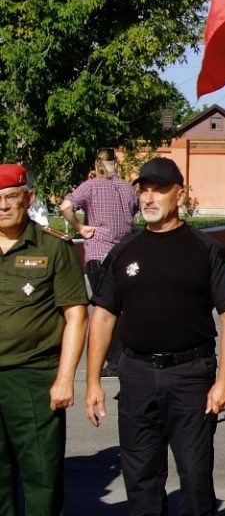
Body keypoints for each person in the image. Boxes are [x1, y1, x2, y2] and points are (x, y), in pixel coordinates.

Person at [82, 158, 225, 516]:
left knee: (194, 469)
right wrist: (93, 380)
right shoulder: (125, 251)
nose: (149, 196)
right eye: (143, 189)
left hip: (191, 374)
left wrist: (224, 380)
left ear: (179, 194)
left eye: (159, 189)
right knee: (140, 469)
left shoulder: (207, 251)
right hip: (135, 373)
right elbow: (102, 317)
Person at [0, 163, 87, 516]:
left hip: (34, 377)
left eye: (10, 198)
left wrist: (65, 379)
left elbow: (75, 316)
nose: (2, 207)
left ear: (28, 199)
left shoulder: (53, 248)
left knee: (41, 477)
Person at [61, 147, 137, 375]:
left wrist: (79, 227)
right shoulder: (127, 189)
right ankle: (129, 357)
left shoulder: (91, 186)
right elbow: (133, 214)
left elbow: (65, 207)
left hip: (99, 253)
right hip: (125, 254)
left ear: (96, 164)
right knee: (125, 309)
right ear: (117, 163)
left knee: (106, 310)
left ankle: (115, 362)